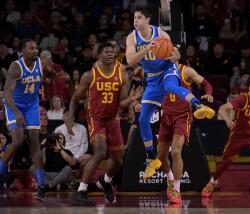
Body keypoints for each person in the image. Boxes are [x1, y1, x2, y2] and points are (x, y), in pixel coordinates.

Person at [126, 7, 214, 179]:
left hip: (168, 70)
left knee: (171, 87)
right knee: (143, 119)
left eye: (138, 18)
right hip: (152, 78)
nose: (135, 21)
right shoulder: (132, 37)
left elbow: (176, 54)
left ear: (147, 20)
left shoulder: (161, 34)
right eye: (134, 18)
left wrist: (173, 57)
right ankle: (152, 158)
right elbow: (130, 60)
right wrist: (147, 49)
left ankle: (198, 105)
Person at [68, 42, 143, 205]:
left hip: (112, 117)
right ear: (99, 55)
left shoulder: (121, 72)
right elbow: (75, 97)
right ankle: (81, 191)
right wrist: (70, 119)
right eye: (107, 52)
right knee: (100, 152)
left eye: (113, 52)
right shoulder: (90, 75)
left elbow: (122, 102)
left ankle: (106, 181)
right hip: (96, 117)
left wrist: (129, 105)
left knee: (118, 160)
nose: (111, 54)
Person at [202, 75, 250, 200]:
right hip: (237, 136)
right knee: (225, 162)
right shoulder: (242, 99)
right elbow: (222, 108)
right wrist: (228, 120)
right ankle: (211, 183)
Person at [157, 62, 214, 204]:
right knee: (161, 156)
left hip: (183, 115)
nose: (170, 54)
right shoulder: (157, 70)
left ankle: (176, 189)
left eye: (173, 51)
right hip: (166, 115)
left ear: (177, 55)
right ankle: (170, 178)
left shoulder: (186, 71)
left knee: (176, 151)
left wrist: (208, 93)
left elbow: (206, 83)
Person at [1, 39, 46, 200]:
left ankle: (41, 186)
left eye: (36, 48)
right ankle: (1, 171)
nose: (35, 51)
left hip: (31, 106)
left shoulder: (40, 62)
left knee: (35, 143)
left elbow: (49, 72)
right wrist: (16, 112)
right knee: (18, 140)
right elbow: (6, 93)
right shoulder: (16, 66)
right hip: (14, 104)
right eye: (31, 48)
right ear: (23, 51)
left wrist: (57, 74)